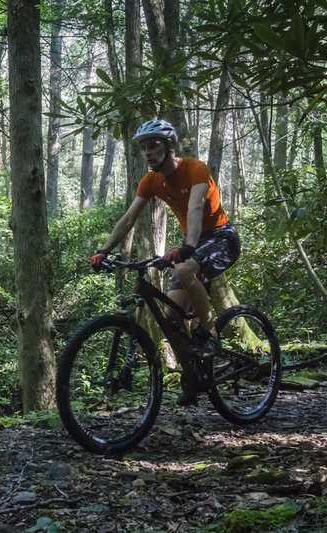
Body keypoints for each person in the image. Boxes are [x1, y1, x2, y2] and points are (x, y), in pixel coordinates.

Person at [89, 119, 241, 405]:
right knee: (171, 318)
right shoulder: (150, 181)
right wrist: (104, 250)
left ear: (169, 146)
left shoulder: (195, 168)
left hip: (221, 237)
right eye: (143, 147)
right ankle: (194, 378)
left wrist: (188, 247)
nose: (147, 152)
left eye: (153, 145)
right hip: (193, 243)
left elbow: (196, 208)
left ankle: (209, 331)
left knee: (185, 268)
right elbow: (129, 219)